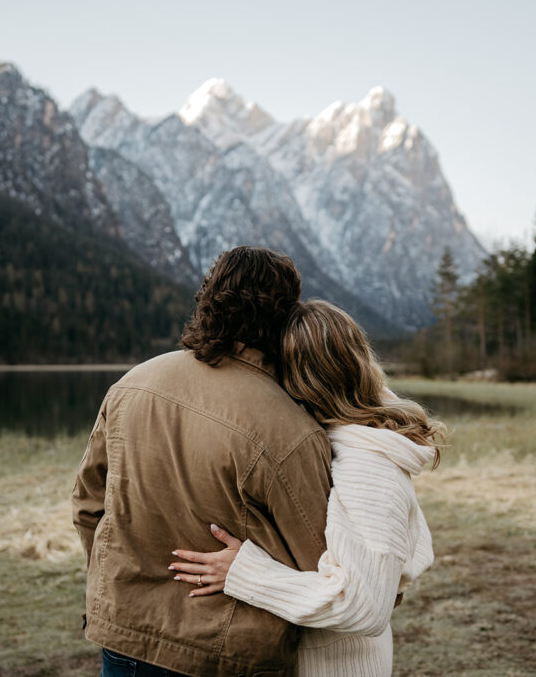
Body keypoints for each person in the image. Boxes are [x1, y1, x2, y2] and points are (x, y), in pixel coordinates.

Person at [72, 247, 334, 677]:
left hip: (125, 636)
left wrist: (122, 579)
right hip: (225, 655)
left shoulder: (133, 383)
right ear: (285, 318)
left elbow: (87, 507)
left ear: (207, 300)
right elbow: (324, 564)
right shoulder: (290, 429)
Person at [168, 299, 444, 676]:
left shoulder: (367, 465)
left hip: (337, 666)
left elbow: (364, 607)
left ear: (298, 381)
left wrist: (244, 571)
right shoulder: (352, 439)